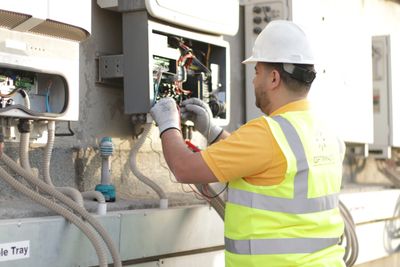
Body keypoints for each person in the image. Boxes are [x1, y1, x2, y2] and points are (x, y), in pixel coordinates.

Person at [150, 20, 345, 267]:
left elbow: (183, 167)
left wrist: (168, 123)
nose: (253, 81)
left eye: (257, 72)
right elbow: (269, 165)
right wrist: (213, 132)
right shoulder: (327, 132)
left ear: (274, 78)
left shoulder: (267, 133)